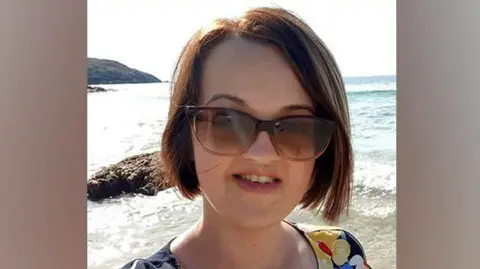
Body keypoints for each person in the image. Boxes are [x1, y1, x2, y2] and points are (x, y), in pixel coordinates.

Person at [121, 6, 372, 269]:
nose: (261, 153)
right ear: (185, 135)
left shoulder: (342, 254)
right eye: (227, 122)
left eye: (296, 127)